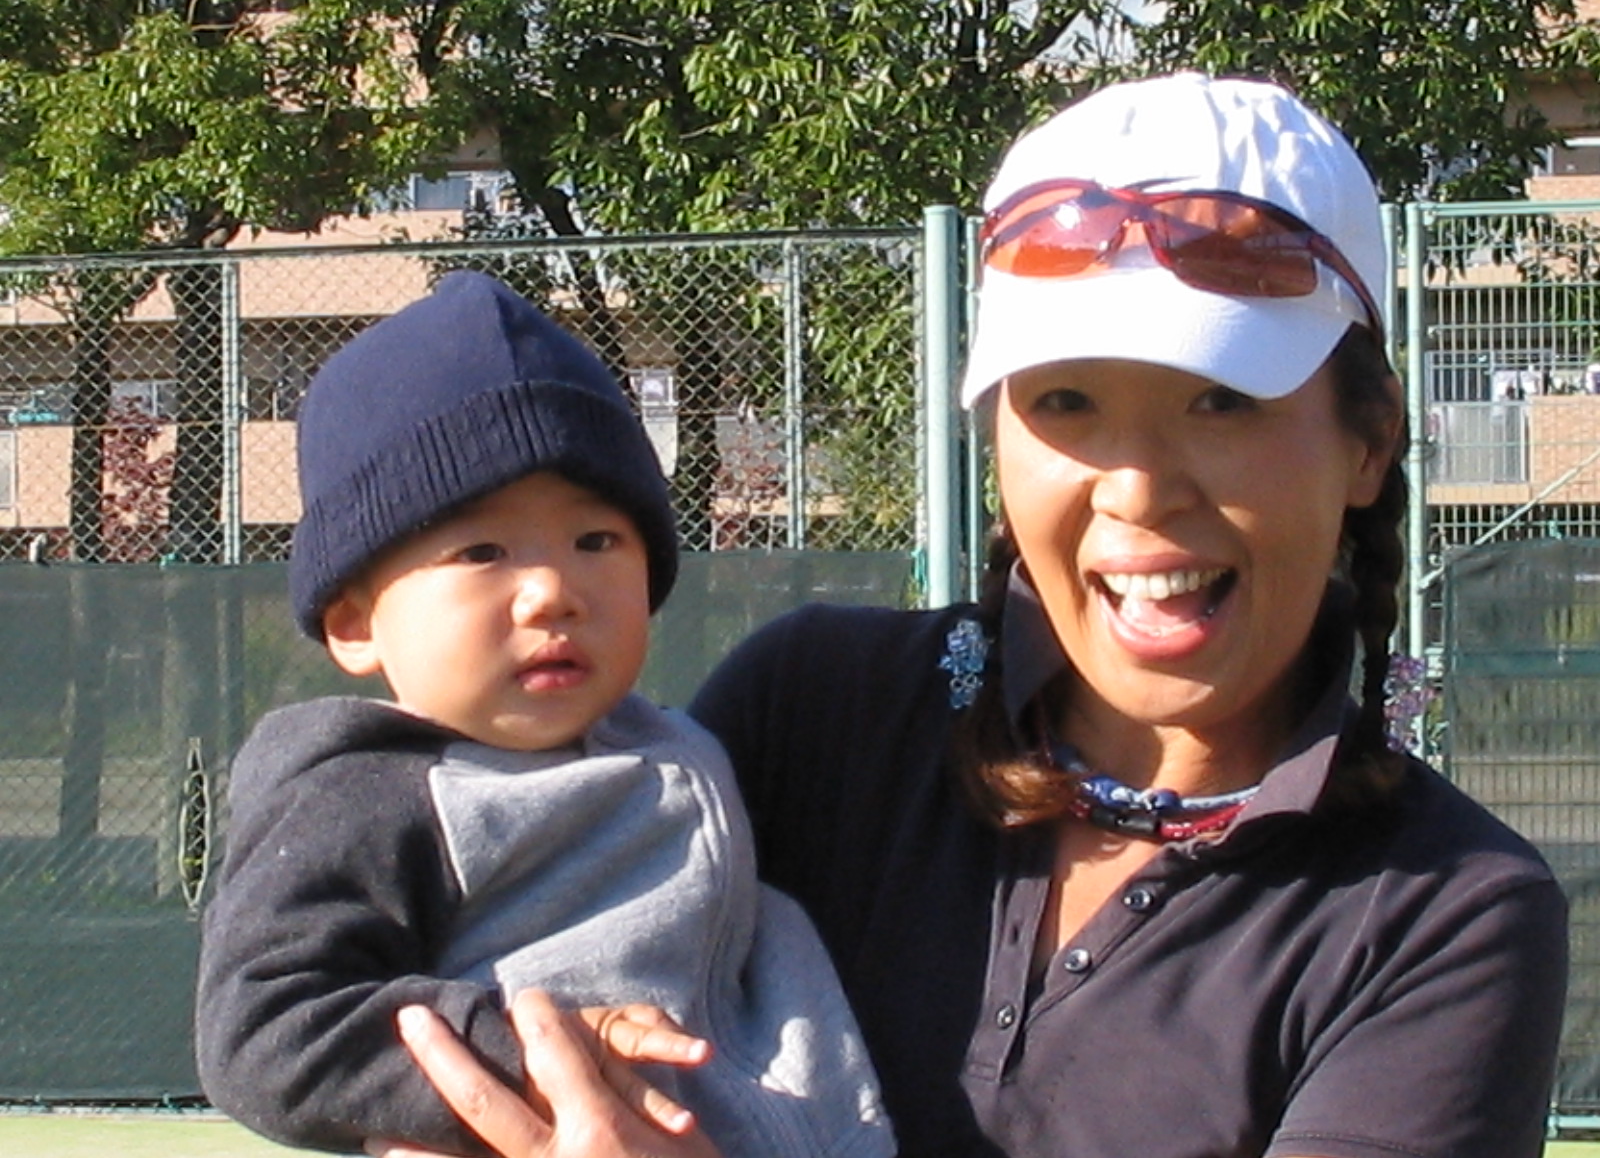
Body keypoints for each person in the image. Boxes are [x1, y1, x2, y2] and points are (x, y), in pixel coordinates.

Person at [371, 73, 1570, 1158]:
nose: (1136, 489)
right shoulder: (812, 713)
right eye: (1065, 402)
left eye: (1220, 400)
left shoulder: (1446, 916)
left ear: (1369, 440)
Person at [193, 270, 895, 1158]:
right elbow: (263, 1029)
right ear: (357, 623)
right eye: (482, 550)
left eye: (595, 540)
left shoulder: (677, 744)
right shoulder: (367, 792)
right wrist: (523, 1050)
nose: (553, 592)